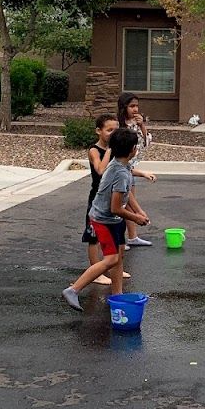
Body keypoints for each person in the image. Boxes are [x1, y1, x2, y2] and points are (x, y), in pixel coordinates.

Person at [63, 128, 146, 310]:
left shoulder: (118, 164)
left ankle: (118, 295)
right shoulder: (121, 173)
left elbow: (125, 196)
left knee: (118, 256)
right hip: (103, 220)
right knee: (110, 259)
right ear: (133, 149)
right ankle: (73, 290)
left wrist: (139, 211)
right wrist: (136, 218)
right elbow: (115, 207)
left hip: (113, 220)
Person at [82, 114, 125, 286]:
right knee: (94, 237)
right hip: (97, 199)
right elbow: (100, 170)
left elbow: (123, 168)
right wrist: (109, 152)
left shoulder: (116, 151)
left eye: (116, 129)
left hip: (111, 197)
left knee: (115, 233)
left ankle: (115, 267)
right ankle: (96, 271)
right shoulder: (95, 150)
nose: (113, 133)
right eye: (109, 130)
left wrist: (142, 173)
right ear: (99, 131)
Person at [117, 92, 155, 247]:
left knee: (129, 202)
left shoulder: (135, 123)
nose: (135, 109)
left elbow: (145, 144)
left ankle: (132, 237)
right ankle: (119, 239)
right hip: (122, 168)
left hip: (130, 167)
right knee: (122, 205)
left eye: (137, 106)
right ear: (123, 107)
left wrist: (142, 125)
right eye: (131, 106)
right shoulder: (119, 125)